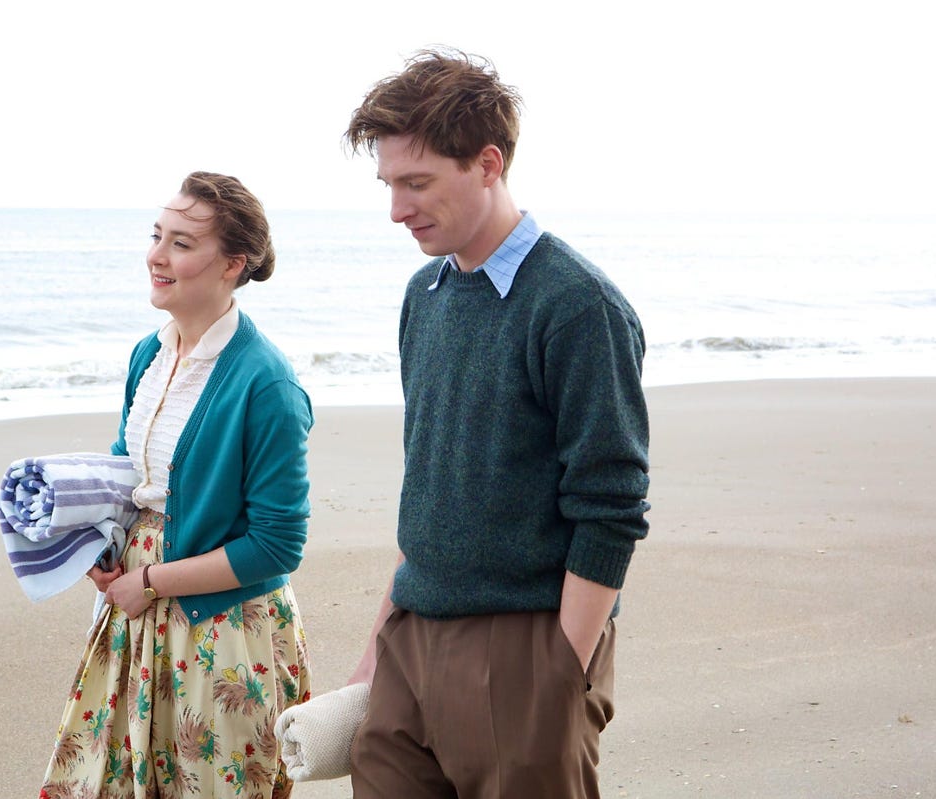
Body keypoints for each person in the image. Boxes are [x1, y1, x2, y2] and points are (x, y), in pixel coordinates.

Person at [342, 49, 651, 798]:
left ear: (487, 163)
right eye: (389, 185)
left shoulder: (577, 305)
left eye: (417, 183)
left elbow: (611, 503)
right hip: (411, 634)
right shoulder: (424, 295)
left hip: (524, 641)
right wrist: (378, 647)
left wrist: (560, 669)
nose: (397, 210)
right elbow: (432, 484)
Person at [40, 172, 314, 798]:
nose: (156, 256)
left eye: (182, 243)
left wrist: (150, 582)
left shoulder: (266, 383)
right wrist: (100, 551)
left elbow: (277, 545)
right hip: (134, 613)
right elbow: (127, 473)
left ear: (233, 264)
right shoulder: (149, 354)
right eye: (157, 236)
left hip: (221, 628)